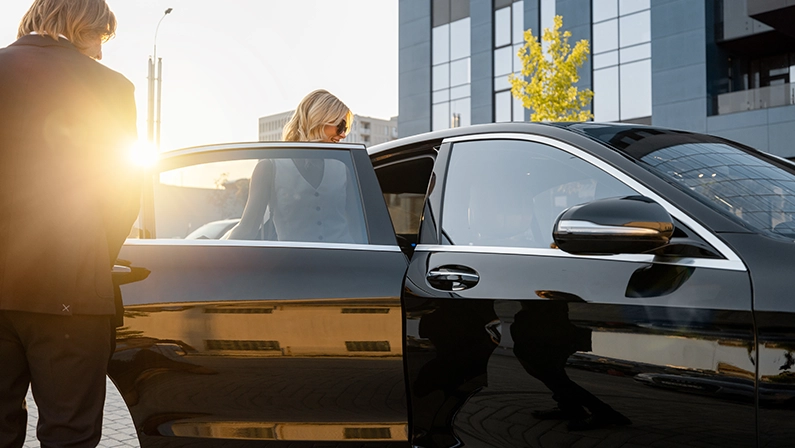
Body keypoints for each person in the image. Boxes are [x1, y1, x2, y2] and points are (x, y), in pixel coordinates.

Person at [0, 0, 140, 446]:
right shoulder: (111, 87)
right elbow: (123, 194)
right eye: (99, 36)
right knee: (69, 436)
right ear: (78, 26)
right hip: (72, 293)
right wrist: (91, 253)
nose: (100, 52)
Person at [227, 89, 366, 243]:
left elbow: (359, 227)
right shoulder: (269, 167)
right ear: (317, 120)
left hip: (347, 261)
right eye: (340, 126)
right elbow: (247, 229)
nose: (343, 135)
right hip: (292, 263)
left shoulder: (344, 167)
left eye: (345, 128)